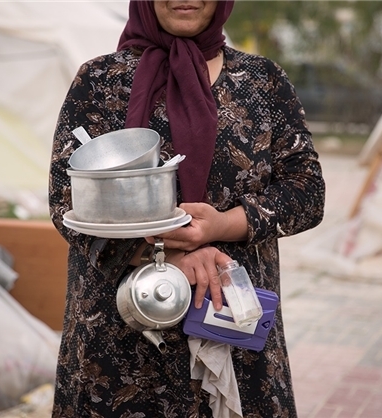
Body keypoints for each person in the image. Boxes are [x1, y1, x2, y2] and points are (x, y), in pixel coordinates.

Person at [49, 1, 325, 416]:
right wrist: (167, 257)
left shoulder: (263, 82)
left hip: (232, 319)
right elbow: (66, 200)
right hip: (121, 329)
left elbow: (307, 192)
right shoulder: (100, 81)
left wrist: (222, 226)